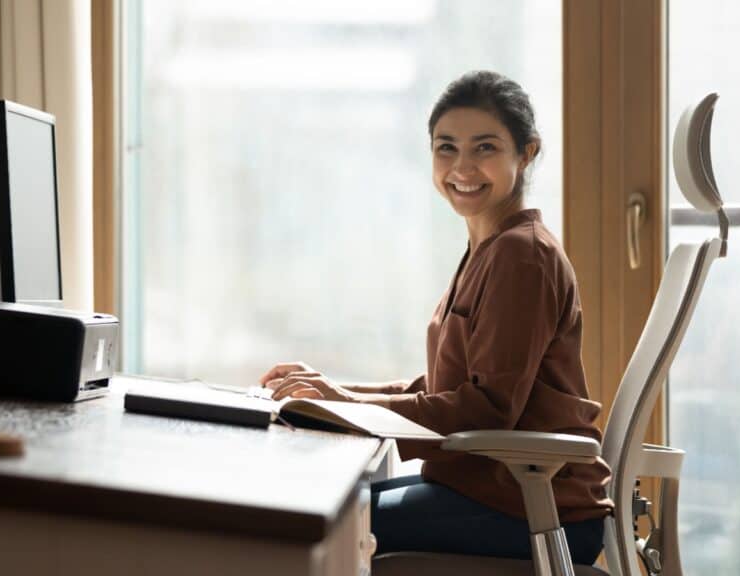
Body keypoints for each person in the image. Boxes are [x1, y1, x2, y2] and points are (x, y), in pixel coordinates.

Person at [259, 70, 612, 566]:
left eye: (485, 148)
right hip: (490, 494)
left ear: (526, 153)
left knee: (313, 527)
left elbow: (486, 409)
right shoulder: (489, 247)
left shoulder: (521, 256)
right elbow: (449, 385)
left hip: (528, 508)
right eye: (446, 148)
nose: (462, 167)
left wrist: (348, 407)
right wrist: (341, 397)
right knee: (326, 503)